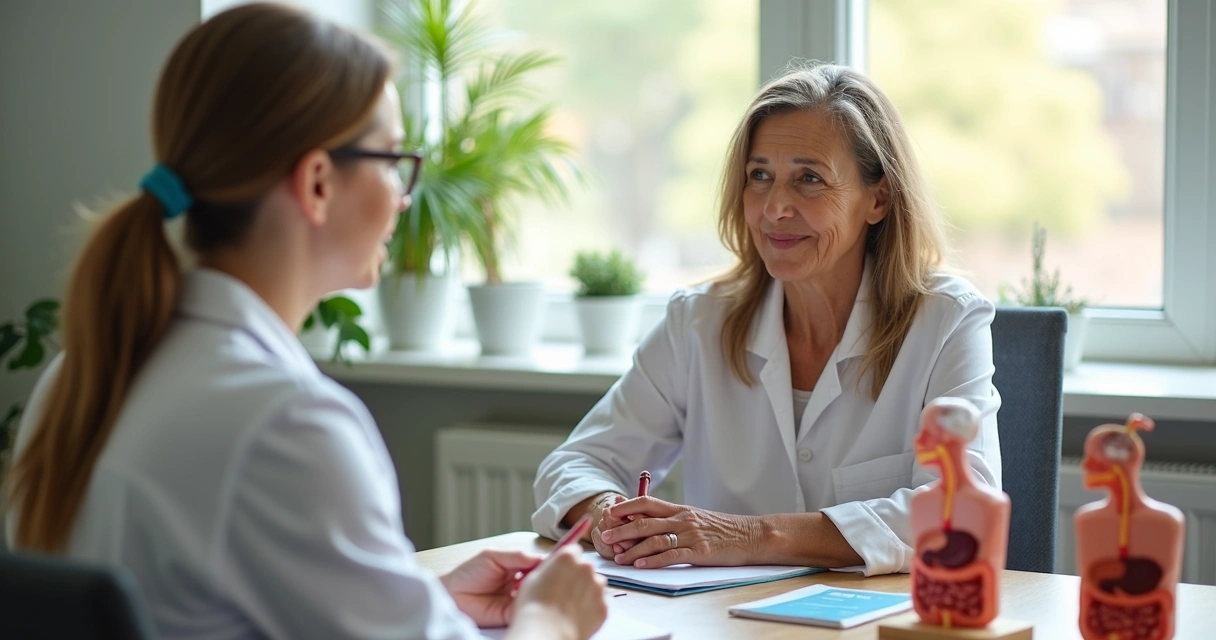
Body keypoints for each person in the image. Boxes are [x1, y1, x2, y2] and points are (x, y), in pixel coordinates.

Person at [2, 5, 606, 640]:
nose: (403, 197)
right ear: (317, 182)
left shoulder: (82, 375)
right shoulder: (285, 423)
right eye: (393, 160)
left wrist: (419, 597)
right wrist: (548, 621)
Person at [533, 62, 1002, 577]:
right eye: (760, 176)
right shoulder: (699, 320)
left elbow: (962, 510)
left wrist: (747, 535)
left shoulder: (946, 320)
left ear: (878, 198)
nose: (775, 207)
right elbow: (573, 465)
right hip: (723, 622)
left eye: (809, 179)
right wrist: (611, 519)